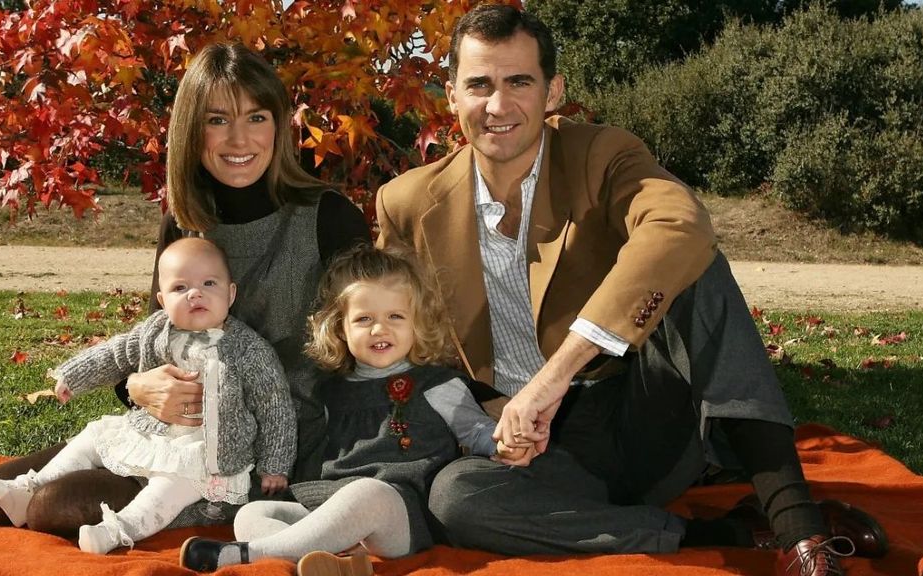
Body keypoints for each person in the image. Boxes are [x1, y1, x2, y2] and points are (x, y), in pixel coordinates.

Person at [375, 4, 887, 576]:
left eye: (519, 81)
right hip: (534, 454)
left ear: (552, 92)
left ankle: (802, 534)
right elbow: (407, 343)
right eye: (479, 85)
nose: (498, 105)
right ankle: (727, 532)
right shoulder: (407, 203)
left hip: (638, 414)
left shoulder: (603, 154)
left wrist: (556, 374)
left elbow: (681, 226)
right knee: (456, 498)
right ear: (451, 95)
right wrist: (481, 426)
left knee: (694, 268)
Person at [0, 41, 372, 537]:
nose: (239, 138)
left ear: (280, 124)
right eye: (217, 119)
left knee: (53, 508)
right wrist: (135, 387)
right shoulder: (184, 218)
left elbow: (367, 354)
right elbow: (153, 335)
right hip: (163, 428)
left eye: (257, 117)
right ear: (192, 130)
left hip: (255, 452)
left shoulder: (329, 218)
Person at [178, 245, 533, 573]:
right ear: (340, 329)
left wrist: (503, 444)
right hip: (332, 504)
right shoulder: (330, 390)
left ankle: (247, 555)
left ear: (417, 322)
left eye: (396, 316)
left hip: (401, 511)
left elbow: (476, 431)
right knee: (255, 511)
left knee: (367, 493)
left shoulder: (437, 383)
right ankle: (333, 563)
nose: (380, 328)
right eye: (364, 319)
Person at [0, 237, 296, 554]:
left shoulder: (248, 349)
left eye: (208, 283)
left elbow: (275, 408)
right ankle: (28, 488)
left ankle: (116, 530)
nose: (195, 293)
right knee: (92, 438)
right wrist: (73, 375)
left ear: (230, 294)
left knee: (167, 489)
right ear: (162, 299)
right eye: (180, 288)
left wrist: (274, 466)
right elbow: (116, 354)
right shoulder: (156, 330)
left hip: (202, 452)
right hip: (148, 430)